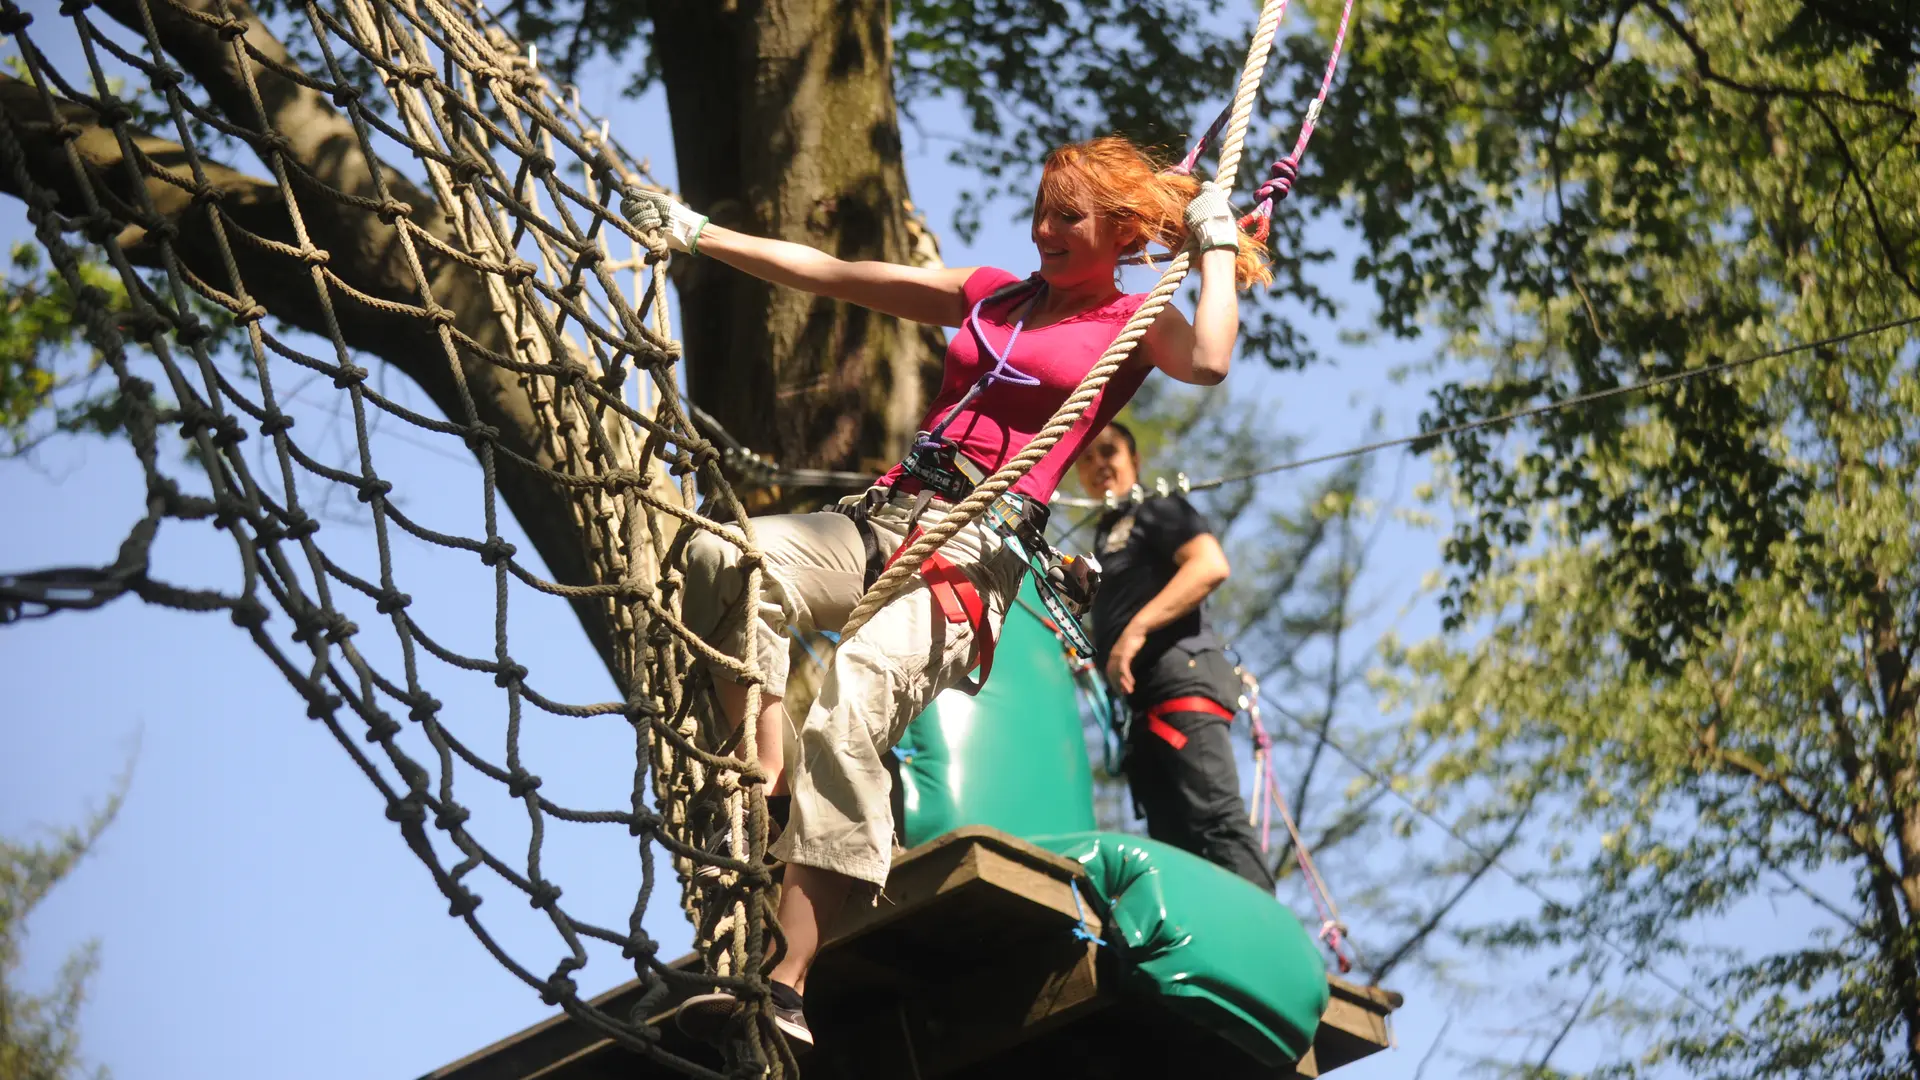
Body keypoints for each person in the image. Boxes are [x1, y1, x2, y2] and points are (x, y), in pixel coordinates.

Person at [623, 136, 1270, 1046]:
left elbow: (1207, 358)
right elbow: (837, 274)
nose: (1044, 231)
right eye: (1040, 212)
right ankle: (763, 778)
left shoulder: (1134, 320)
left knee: (855, 696)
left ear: (1124, 234)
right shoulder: (993, 294)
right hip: (891, 514)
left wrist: (1214, 247)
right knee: (729, 555)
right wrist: (702, 236)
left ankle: (786, 979)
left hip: (976, 546)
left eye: (1069, 218)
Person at [1073, 422, 1275, 891]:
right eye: (1086, 458)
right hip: (1144, 709)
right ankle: (1210, 930)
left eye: (1109, 451)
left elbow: (1209, 564)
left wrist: (1136, 631)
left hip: (1180, 680)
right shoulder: (1105, 539)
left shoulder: (1155, 509)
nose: (1098, 464)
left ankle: (1261, 931)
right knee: (1177, 850)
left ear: (1134, 460)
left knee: (1215, 822)